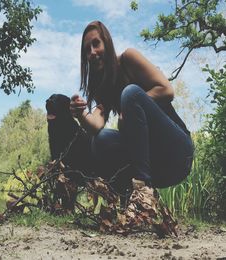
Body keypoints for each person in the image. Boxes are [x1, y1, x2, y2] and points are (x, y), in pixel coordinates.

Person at [69, 20, 194, 190]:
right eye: (86, 50)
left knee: (130, 93)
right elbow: (96, 126)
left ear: (107, 42)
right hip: (153, 161)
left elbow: (167, 90)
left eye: (96, 44)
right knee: (101, 139)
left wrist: (130, 106)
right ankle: (126, 203)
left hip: (177, 153)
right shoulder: (102, 86)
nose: (92, 52)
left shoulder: (128, 59)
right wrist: (81, 114)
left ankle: (142, 189)